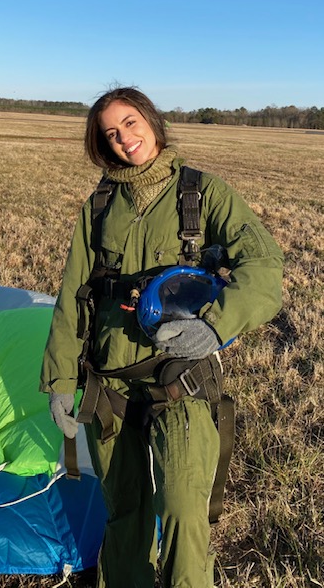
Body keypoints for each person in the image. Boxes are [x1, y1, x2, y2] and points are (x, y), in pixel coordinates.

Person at [40, 87, 283, 588]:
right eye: (111, 133)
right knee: (124, 512)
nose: (124, 139)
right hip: (109, 384)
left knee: (181, 510)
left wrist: (214, 324)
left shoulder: (203, 192)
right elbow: (72, 294)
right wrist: (62, 377)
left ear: (150, 120)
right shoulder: (101, 203)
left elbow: (264, 268)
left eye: (130, 123)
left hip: (182, 379)